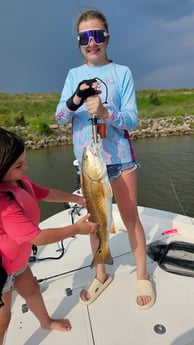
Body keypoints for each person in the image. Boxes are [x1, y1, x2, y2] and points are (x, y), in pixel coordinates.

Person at [55, 8, 156, 309]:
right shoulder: (73, 75)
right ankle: (101, 273)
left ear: (107, 37)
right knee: (95, 222)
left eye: (97, 35)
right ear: (79, 42)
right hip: (89, 163)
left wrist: (105, 113)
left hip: (121, 160)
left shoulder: (122, 73)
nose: (92, 42)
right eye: (85, 37)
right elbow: (60, 116)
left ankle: (142, 275)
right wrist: (76, 98)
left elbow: (133, 120)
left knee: (130, 218)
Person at [0, 127, 100, 344]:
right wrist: (76, 229)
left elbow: (47, 193)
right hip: (3, 270)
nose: (26, 167)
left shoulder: (20, 182)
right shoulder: (5, 206)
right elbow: (37, 238)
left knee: (33, 291)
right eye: (18, 166)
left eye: (24, 161)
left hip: (19, 262)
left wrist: (78, 199)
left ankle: (45, 322)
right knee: (3, 319)